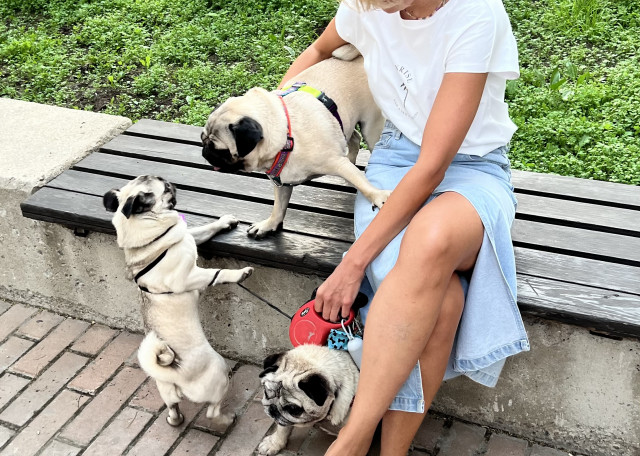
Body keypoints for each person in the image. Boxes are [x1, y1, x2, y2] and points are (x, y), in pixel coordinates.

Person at [278, 0, 530, 454]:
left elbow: (433, 165)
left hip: (472, 166)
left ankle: (351, 442)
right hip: (394, 160)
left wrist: (353, 264)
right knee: (442, 301)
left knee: (429, 241)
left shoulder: (475, 12)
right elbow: (318, 50)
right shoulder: (364, 6)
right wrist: (282, 117)